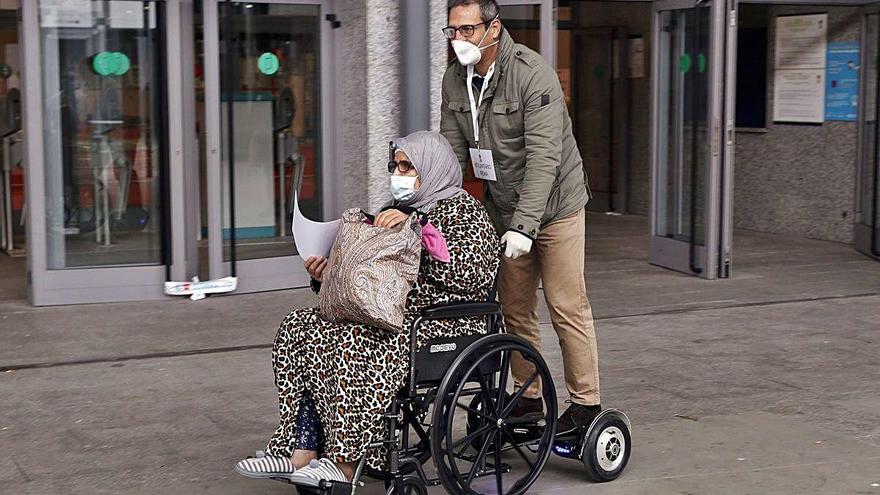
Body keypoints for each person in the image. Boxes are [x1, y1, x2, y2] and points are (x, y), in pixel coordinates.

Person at [234, 130, 499, 486]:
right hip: (391, 316)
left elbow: (469, 274)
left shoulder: (465, 213)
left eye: (408, 166)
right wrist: (327, 276)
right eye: (396, 165)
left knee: (353, 338)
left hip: (443, 324)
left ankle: (344, 462)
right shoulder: (397, 210)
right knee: (300, 326)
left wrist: (417, 231)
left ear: (433, 168)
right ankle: (301, 449)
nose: (399, 173)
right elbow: (370, 278)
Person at [440, 0, 602, 433]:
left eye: (467, 30)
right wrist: (432, 209)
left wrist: (525, 227)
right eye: (452, 31)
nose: (459, 40)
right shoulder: (455, 79)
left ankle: (585, 404)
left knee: (566, 305)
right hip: (505, 205)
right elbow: (451, 154)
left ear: (494, 29)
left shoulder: (533, 74)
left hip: (556, 208)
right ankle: (529, 396)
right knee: (514, 309)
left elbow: (545, 160)